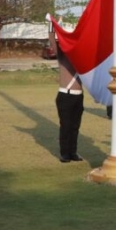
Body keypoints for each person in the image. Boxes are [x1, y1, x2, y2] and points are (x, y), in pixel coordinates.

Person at [49, 24, 84, 163]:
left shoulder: (82, 58)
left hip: (78, 96)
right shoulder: (62, 56)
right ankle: (64, 153)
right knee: (66, 125)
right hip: (65, 95)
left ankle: (73, 152)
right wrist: (51, 25)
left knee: (75, 126)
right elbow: (52, 41)